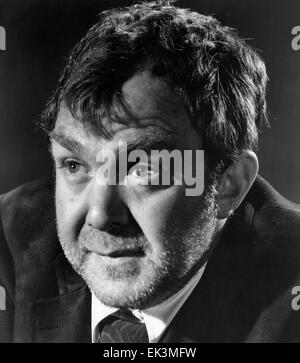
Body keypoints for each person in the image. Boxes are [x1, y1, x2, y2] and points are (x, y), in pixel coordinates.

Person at [1, 1, 300, 343]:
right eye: (74, 165)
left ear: (229, 184)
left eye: (144, 169)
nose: (99, 215)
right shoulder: (7, 245)